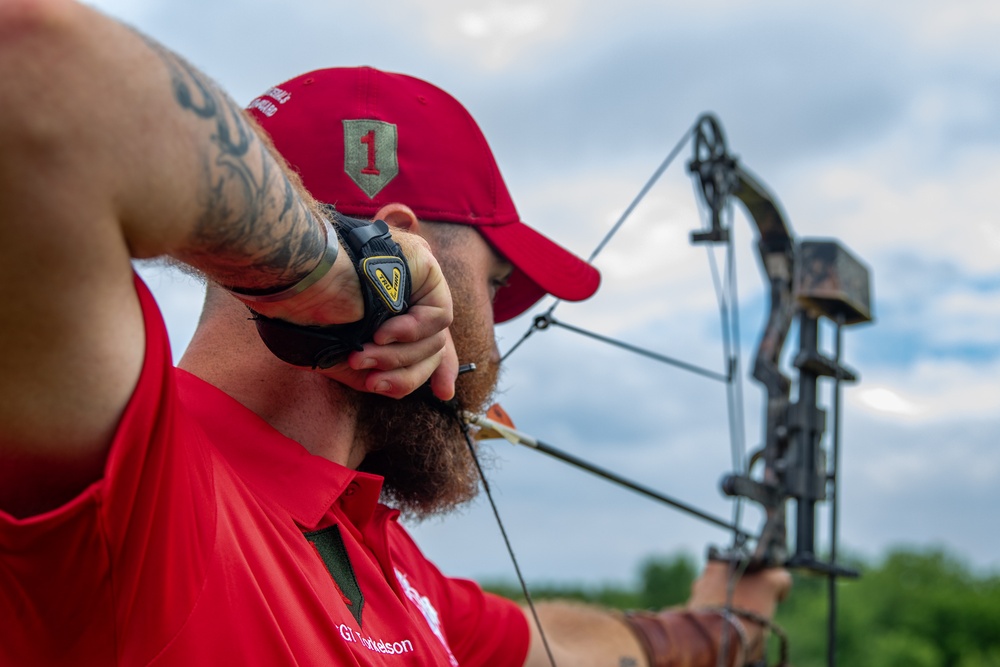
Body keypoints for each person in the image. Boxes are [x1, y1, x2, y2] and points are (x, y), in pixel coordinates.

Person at [0, 2, 789, 666]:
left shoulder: (373, 546)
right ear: (399, 248)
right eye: (496, 284)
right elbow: (39, 77)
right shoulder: (142, 484)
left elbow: (553, 643)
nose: (495, 350)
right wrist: (338, 279)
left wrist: (712, 623)